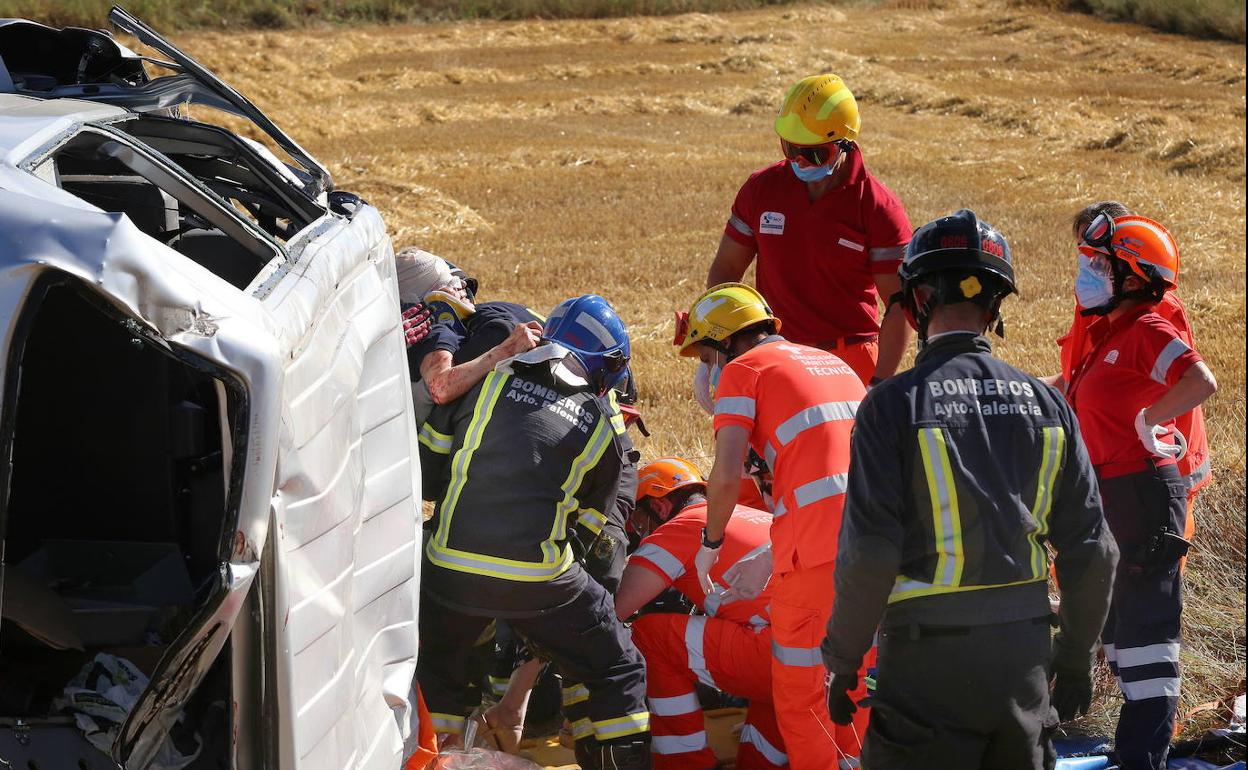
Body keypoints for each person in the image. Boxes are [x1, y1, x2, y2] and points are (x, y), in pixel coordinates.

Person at [819, 209, 1119, 769]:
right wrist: (1074, 658)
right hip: (1023, 663)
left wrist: (843, 657)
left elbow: (871, 554)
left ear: (915, 301)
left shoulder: (891, 406)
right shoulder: (1048, 404)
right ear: (996, 306)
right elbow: (1093, 550)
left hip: (925, 666)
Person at [415, 294, 651, 770]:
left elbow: (423, 469)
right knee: (613, 665)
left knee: (438, 674)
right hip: (541, 581)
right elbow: (597, 526)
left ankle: (432, 756)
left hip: (447, 570)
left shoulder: (482, 381)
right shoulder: (602, 421)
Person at [673, 282, 870, 769]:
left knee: (801, 696)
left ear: (725, 341)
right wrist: (769, 552)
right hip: (879, 548)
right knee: (858, 685)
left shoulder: (744, 371)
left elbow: (724, 475)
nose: (709, 369)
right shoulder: (834, 365)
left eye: (706, 355)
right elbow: (832, 474)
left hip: (817, 557)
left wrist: (711, 543)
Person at [1064, 213, 1217, 770]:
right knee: (1119, 627)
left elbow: (1200, 380)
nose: (1089, 273)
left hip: (1145, 493)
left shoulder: (1148, 328)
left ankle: (1142, 758)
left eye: (1102, 265)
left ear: (1135, 276)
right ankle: (1134, 748)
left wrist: (1152, 418)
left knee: (1147, 635)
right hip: (1110, 492)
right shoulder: (1110, 332)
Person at [703, 73, 913, 391]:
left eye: (814, 154)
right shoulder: (761, 189)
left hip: (851, 362)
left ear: (844, 143)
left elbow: (899, 304)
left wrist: (880, 382)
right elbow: (727, 269)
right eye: (791, 148)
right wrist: (720, 346)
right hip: (777, 356)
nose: (800, 160)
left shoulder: (878, 208)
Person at [614, 457, 799, 770]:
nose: (637, 531)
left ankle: (683, 762)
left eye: (637, 521)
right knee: (761, 742)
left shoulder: (675, 530)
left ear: (659, 508)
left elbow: (613, 612)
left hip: (778, 657)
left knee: (649, 635)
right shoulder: (752, 515)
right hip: (825, 659)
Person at [1052, 202, 1211, 555]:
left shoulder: (1152, 310)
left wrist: (1150, 423)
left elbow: (1190, 381)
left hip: (1151, 468)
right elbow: (1082, 377)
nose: (1089, 265)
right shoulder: (1099, 305)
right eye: (1085, 254)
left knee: (1147, 580)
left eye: (1098, 257)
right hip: (1109, 467)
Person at [394, 247, 544, 424]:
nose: (464, 285)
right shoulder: (441, 322)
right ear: (435, 297)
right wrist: (507, 349)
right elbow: (441, 386)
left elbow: (439, 388)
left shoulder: (461, 323)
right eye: (453, 284)